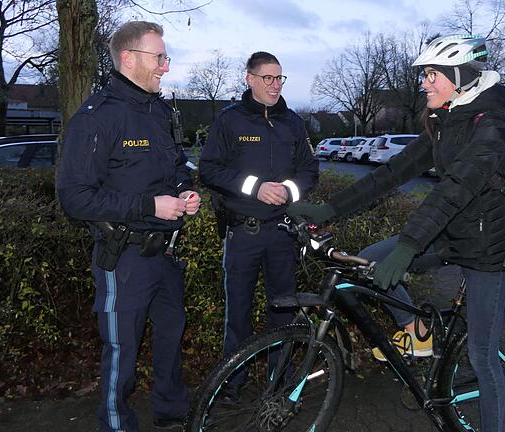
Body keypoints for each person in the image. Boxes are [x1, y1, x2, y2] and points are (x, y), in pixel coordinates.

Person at [288, 34, 505, 432]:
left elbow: (455, 189)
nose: (424, 83)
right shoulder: (446, 119)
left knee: (481, 355)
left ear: (462, 76)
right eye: (425, 75)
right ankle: (418, 333)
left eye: (433, 74)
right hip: (456, 231)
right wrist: (329, 209)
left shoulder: (493, 125)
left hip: (491, 246)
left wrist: (410, 244)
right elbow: (392, 173)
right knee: (373, 258)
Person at [56, 21, 200, 432]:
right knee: (121, 349)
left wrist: (185, 193)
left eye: (165, 57)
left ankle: (172, 411)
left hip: (166, 254)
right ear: (128, 58)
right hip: (125, 259)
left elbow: (176, 167)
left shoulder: (160, 111)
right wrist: (149, 205)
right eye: (159, 58)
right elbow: (74, 197)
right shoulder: (96, 118)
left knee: (171, 335)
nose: (165, 67)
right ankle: (117, 424)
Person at [199, 52, 319, 395]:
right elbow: (208, 169)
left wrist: (287, 191)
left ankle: (278, 383)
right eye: (267, 78)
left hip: (282, 233)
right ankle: (232, 385)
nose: (275, 84)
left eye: (280, 78)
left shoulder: (293, 123)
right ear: (249, 79)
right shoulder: (229, 121)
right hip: (243, 233)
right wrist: (256, 188)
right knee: (238, 313)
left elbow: (310, 171)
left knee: (283, 312)